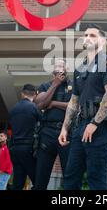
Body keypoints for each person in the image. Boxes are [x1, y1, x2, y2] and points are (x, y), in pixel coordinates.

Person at [58, 24, 107, 190]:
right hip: (80, 127)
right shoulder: (80, 67)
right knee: (71, 176)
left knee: (97, 177)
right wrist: (65, 128)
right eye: (86, 35)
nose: (87, 38)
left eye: (93, 35)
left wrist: (94, 123)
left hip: (99, 128)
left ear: (103, 41)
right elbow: (74, 101)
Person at [33, 60, 72, 190]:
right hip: (47, 133)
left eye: (62, 66)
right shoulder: (45, 86)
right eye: (57, 67)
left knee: (69, 174)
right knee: (41, 176)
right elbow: (40, 104)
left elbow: (75, 106)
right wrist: (55, 84)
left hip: (67, 132)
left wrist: (54, 104)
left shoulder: (73, 86)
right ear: (53, 71)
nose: (59, 69)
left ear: (67, 70)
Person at [9, 84, 41, 190]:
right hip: (28, 149)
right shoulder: (34, 108)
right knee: (38, 181)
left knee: (18, 182)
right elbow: (42, 123)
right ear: (35, 94)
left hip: (14, 148)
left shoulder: (13, 109)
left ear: (22, 94)